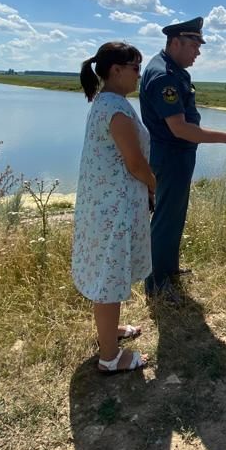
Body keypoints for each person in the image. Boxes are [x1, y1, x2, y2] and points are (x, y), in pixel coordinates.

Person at [139, 16, 226, 298]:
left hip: (177, 155)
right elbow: (180, 128)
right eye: (193, 45)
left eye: (199, 46)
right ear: (175, 42)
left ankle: (168, 269)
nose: (198, 52)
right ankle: (157, 283)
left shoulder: (173, 70)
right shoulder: (164, 76)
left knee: (174, 215)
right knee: (165, 218)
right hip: (170, 155)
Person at [72, 42, 155, 373]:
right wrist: (154, 184)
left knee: (111, 273)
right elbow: (134, 163)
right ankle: (109, 357)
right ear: (115, 70)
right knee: (109, 278)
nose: (139, 74)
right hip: (114, 209)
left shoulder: (106, 102)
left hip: (104, 206)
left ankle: (111, 332)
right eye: (135, 68)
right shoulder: (116, 110)